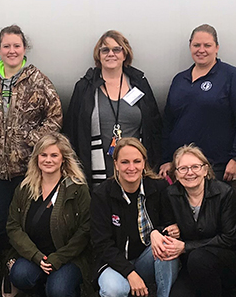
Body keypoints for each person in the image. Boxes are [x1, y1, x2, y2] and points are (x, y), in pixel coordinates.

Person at [0, 24, 63, 294]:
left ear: (25, 49)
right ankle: (7, 269)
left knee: (27, 224)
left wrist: (31, 142)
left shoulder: (38, 80)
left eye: (17, 46)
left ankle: (29, 277)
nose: (12, 51)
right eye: (6, 46)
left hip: (28, 170)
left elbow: (55, 117)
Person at [160, 144, 236, 297]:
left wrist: (185, 246)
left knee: (199, 258)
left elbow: (230, 238)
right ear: (176, 173)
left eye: (195, 167)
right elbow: (164, 225)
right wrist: (169, 229)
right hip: (195, 264)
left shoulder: (223, 193)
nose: (189, 173)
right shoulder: (171, 195)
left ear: (205, 169)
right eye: (183, 168)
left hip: (229, 258)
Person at [89, 137, 178, 297]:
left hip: (146, 257)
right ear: (116, 165)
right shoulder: (102, 194)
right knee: (114, 292)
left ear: (144, 163)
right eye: (125, 162)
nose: (131, 167)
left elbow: (169, 223)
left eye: (137, 161)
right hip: (113, 262)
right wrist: (130, 273)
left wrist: (161, 231)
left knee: (167, 246)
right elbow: (101, 244)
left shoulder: (159, 188)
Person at [7, 133, 91, 297]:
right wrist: (36, 257)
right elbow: (13, 226)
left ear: (63, 159)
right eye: (43, 155)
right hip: (34, 256)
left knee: (59, 292)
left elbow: (85, 230)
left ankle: (72, 294)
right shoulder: (25, 188)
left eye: (54, 155)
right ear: (36, 158)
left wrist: (58, 258)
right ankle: (37, 293)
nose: (48, 160)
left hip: (67, 257)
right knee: (19, 275)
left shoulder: (77, 188)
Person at [62, 30, 162, 183]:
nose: (111, 54)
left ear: (125, 54)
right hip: (98, 174)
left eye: (116, 49)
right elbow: (72, 131)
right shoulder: (85, 88)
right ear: (98, 55)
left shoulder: (139, 84)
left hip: (135, 171)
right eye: (105, 50)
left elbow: (155, 126)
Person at [162, 24, 236, 181]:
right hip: (182, 168)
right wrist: (166, 159)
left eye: (207, 45)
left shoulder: (231, 76)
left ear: (217, 47)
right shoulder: (179, 80)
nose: (201, 50)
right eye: (196, 45)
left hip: (217, 167)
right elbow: (168, 123)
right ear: (190, 46)